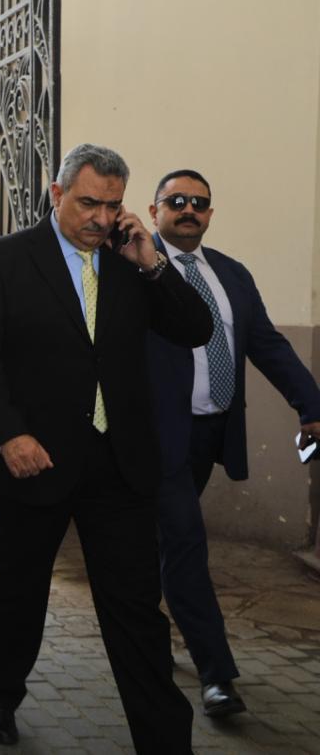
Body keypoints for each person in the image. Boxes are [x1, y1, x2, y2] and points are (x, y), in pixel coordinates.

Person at [0, 143, 211, 752]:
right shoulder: (7, 259)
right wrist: (9, 434)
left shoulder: (130, 261)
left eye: (112, 205)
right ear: (57, 194)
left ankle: (164, 739)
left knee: (135, 607)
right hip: (34, 458)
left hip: (118, 465)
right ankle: (1, 697)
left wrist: (153, 263)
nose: (101, 218)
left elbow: (193, 329)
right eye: (89, 203)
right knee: (20, 589)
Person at [146, 169, 320, 718]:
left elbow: (266, 344)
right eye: (176, 200)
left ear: (210, 214)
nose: (188, 209)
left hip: (209, 433)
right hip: (155, 435)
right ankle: (216, 674)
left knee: (165, 543)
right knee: (186, 541)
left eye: (199, 203)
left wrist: (311, 406)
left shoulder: (231, 274)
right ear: (154, 211)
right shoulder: (131, 267)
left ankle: (145, 637)